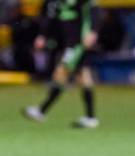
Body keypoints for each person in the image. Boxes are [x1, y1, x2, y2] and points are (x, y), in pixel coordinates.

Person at [22, 0, 100, 129]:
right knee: (83, 78)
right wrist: (43, 36)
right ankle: (90, 117)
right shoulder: (59, 3)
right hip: (70, 43)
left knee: (61, 73)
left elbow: (95, 13)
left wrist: (93, 31)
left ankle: (42, 111)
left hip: (78, 44)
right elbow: (52, 21)